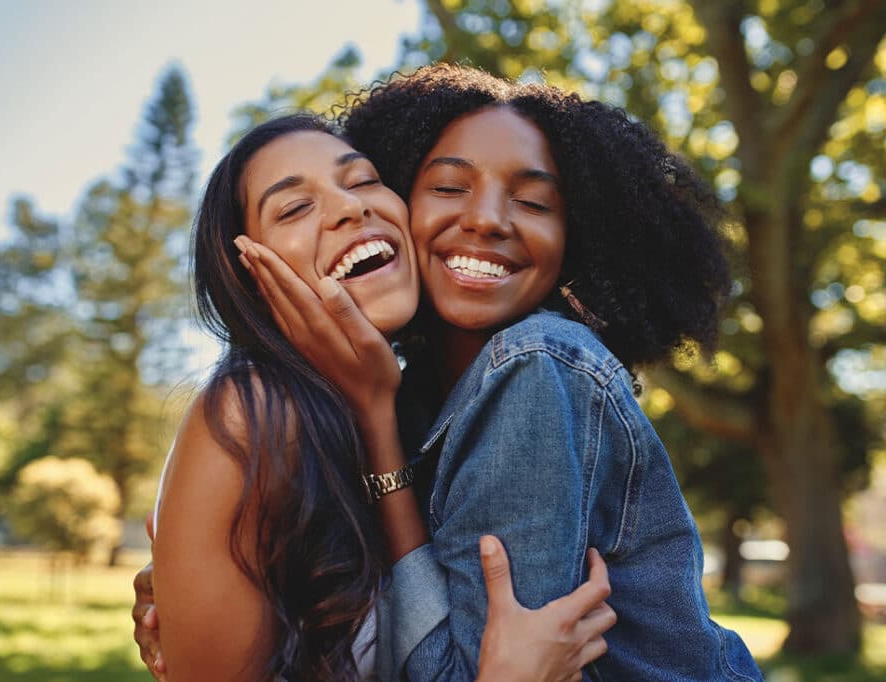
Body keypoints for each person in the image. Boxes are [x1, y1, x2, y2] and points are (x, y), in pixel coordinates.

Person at [234, 65, 763, 680]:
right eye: (450, 188)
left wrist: (374, 424)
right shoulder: (404, 394)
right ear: (397, 205)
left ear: (575, 238)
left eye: (534, 202)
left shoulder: (535, 367)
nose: (487, 219)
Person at [142, 112, 616, 682]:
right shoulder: (250, 413)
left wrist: (375, 417)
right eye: (293, 208)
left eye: (364, 180)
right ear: (250, 281)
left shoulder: (414, 408)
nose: (350, 207)